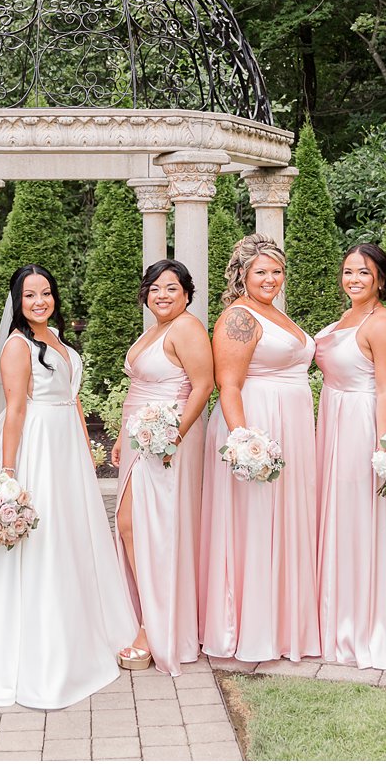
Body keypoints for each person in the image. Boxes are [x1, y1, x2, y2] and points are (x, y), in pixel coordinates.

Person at [0, 264, 138, 709]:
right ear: (18, 301)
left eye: (46, 293)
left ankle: (81, 634)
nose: (39, 302)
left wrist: (86, 452)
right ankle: (39, 656)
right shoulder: (17, 346)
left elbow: (73, 401)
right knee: (42, 539)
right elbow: (14, 412)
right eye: (29, 295)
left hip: (67, 451)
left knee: (72, 537)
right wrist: (8, 475)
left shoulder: (58, 341)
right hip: (37, 449)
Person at [200, 234, 320, 663]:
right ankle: (251, 628)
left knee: (286, 520)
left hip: (292, 426)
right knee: (256, 522)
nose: (271, 279)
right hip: (257, 424)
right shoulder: (241, 318)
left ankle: (287, 625)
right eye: (261, 272)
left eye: (277, 271)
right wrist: (244, 440)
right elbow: (227, 384)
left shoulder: (275, 314)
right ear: (242, 276)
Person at [315, 243, 386, 668]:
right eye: (348, 271)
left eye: (363, 273)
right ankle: (333, 615)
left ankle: (364, 623)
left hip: (359, 423)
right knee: (336, 513)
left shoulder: (382, 324)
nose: (354, 279)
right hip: (332, 417)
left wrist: (384, 449)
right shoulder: (348, 316)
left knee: (357, 515)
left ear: (380, 278)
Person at [110, 259, 214, 675]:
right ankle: (147, 616)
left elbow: (203, 385)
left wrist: (174, 436)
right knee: (132, 524)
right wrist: (121, 434)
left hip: (167, 439)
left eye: (172, 288)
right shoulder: (153, 330)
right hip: (140, 436)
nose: (163, 295)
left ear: (187, 293)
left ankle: (155, 627)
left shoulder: (187, 327)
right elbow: (137, 388)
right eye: (155, 288)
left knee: (149, 526)